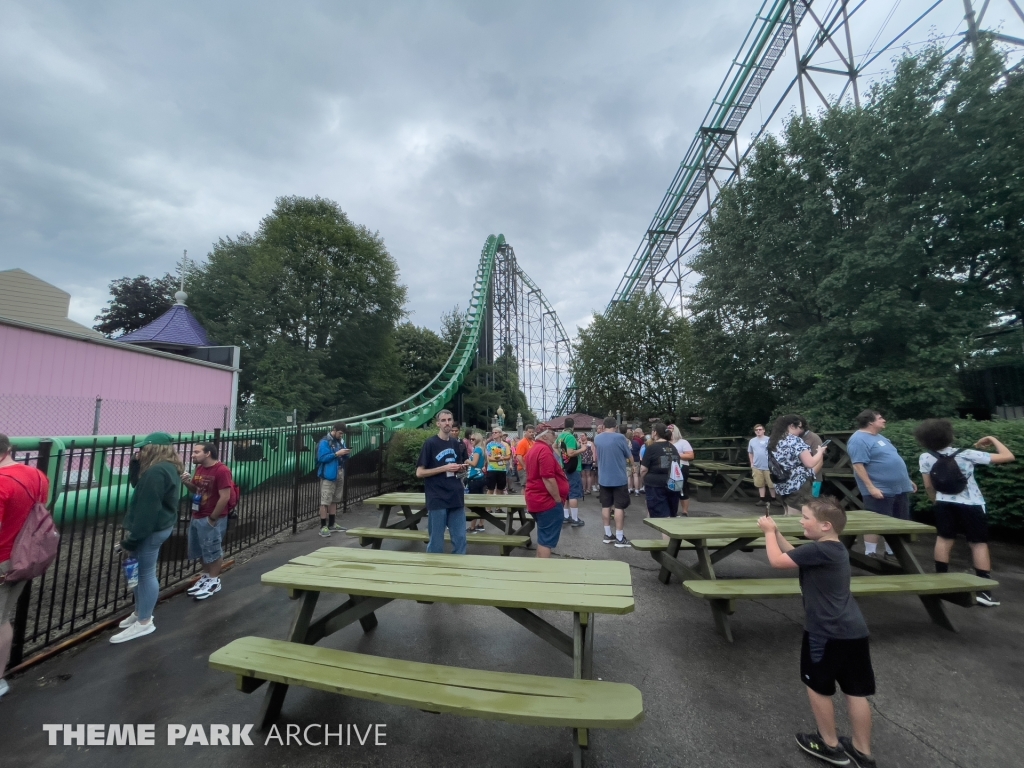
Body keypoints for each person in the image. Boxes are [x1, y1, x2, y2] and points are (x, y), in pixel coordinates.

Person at [758, 497, 876, 768]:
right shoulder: (831, 549)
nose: (801, 520)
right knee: (856, 691)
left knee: (818, 687)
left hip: (825, 632)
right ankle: (862, 752)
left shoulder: (821, 551)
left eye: (806, 518)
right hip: (854, 630)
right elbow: (795, 557)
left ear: (824, 526)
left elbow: (777, 561)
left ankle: (830, 745)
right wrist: (776, 533)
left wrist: (767, 534)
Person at [915, 419, 1015, 607]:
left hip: (944, 503)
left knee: (944, 539)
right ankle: (984, 592)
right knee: (978, 544)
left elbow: (929, 485)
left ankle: (941, 583)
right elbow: (1007, 456)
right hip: (972, 503)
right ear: (949, 435)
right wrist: (992, 438)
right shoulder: (967, 454)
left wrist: (935, 500)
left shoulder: (925, 457)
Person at [111, 433, 182, 643]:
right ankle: (140, 611)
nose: (139, 452)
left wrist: (132, 540)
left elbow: (148, 510)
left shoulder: (157, 472)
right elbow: (137, 485)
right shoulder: (165, 468)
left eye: (142, 449)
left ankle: (144, 621)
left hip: (150, 530)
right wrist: (134, 465)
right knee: (136, 570)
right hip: (157, 527)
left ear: (154, 449)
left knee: (145, 574)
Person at [0, 434, 51, 695]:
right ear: (9, 448)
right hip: (26, 555)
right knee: (3, 618)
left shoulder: (1, 484)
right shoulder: (37, 475)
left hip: (2, 557)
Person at [848, 410, 916, 559]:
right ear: (870, 422)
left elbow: (892, 459)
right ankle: (870, 554)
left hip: (899, 488)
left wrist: (906, 480)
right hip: (880, 489)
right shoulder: (858, 439)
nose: (884, 420)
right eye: (880, 418)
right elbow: (858, 465)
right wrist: (871, 487)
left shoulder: (880, 438)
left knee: (899, 521)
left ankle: (892, 553)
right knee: (875, 522)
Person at [180, 441, 235, 600]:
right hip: (197, 515)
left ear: (208, 453)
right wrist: (187, 483)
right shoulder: (200, 469)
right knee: (200, 549)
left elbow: (225, 496)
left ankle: (213, 580)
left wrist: (212, 518)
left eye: (196, 452)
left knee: (213, 549)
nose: (193, 454)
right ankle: (205, 576)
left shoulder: (222, 470)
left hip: (211, 517)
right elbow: (197, 490)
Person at [416, 410, 468, 554]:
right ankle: (434, 572)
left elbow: (457, 469)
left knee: (460, 539)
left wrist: (461, 469)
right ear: (438, 423)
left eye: (449, 420)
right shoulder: (430, 443)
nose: (447, 423)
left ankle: (458, 571)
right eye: (443, 420)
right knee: (436, 542)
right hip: (437, 497)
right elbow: (420, 472)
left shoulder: (456, 443)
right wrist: (443, 468)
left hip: (456, 496)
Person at [524, 428, 569, 558]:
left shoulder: (534, 449)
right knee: (546, 542)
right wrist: (557, 499)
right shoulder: (544, 451)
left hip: (536, 499)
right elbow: (548, 478)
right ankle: (542, 573)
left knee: (543, 538)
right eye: (552, 434)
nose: (555, 436)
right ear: (544, 437)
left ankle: (538, 569)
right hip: (546, 501)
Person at [769, 414, 825, 516]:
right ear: (791, 426)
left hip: (780, 483)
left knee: (786, 515)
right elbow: (810, 463)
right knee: (796, 518)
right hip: (797, 484)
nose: (801, 430)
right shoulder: (795, 441)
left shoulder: (773, 441)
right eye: (800, 427)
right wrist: (820, 452)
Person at [594, 417, 632, 548]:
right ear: (615, 426)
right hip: (618, 477)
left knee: (606, 506)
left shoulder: (597, 438)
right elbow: (629, 455)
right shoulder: (620, 438)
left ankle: (608, 534)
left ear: (603, 426)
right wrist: (633, 466)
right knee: (619, 507)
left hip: (603, 478)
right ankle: (620, 538)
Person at [641, 423, 682, 538]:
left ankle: (668, 547)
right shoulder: (673, 447)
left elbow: (643, 469)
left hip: (656, 484)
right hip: (673, 483)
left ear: (655, 433)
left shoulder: (651, 448)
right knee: (670, 514)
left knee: (664, 518)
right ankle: (672, 543)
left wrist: (642, 479)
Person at [315, 423, 351, 537]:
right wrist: (336, 454)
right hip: (328, 474)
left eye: (342, 434)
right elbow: (322, 458)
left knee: (334, 499)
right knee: (325, 500)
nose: (341, 435)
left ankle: (332, 524)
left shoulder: (340, 441)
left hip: (339, 471)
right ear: (334, 430)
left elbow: (343, 457)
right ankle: (323, 526)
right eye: (340, 433)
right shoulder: (325, 442)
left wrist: (345, 454)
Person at [555, 418, 586, 528]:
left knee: (567, 493)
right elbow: (571, 453)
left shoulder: (561, 436)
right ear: (573, 426)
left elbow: (554, 446)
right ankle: (575, 518)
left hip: (564, 466)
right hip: (573, 467)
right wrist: (582, 449)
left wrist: (561, 456)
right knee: (573, 493)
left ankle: (566, 516)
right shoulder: (570, 437)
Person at [748, 424, 778, 508]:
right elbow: (750, 452)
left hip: (769, 465)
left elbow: (775, 451)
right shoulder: (752, 441)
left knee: (771, 483)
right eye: (756, 430)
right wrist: (752, 463)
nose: (758, 431)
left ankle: (773, 499)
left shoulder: (769, 440)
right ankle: (762, 499)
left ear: (764, 430)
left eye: (760, 429)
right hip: (757, 465)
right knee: (760, 483)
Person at [670, 425, 695, 516]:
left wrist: (676, 455)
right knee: (671, 489)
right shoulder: (664, 442)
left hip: (681, 467)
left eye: (671, 430)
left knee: (682, 488)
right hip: (668, 468)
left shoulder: (683, 442)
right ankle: (672, 511)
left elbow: (690, 456)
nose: (669, 432)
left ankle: (685, 511)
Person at [466, 432, 488, 533]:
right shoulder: (482, 449)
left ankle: (472, 527)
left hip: (474, 478)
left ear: (478, 440)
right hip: (480, 477)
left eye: (473, 439)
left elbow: (474, 463)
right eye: (470, 439)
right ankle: (481, 524)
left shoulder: (477, 450)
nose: (471, 441)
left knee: (474, 504)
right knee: (480, 502)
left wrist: (467, 461)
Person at [484, 427, 511, 506]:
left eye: (495, 432)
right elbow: (488, 458)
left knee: (500, 489)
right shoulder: (489, 444)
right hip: (491, 469)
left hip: (502, 469)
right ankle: (488, 508)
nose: (493, 434)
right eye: (492, 432)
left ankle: (498, 507)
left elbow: (508, 456)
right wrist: (498, 460)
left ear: (500, 434)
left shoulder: (505, 445)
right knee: (490, 489)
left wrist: (502, 458)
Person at [629, 429, 644, 495]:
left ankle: (630, 488)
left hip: (628, 460)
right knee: (636, 475)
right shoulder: (637, 442)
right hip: (636, 459)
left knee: (629, 476)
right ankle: (637, 490)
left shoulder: (626, 442)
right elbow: (640, 450)